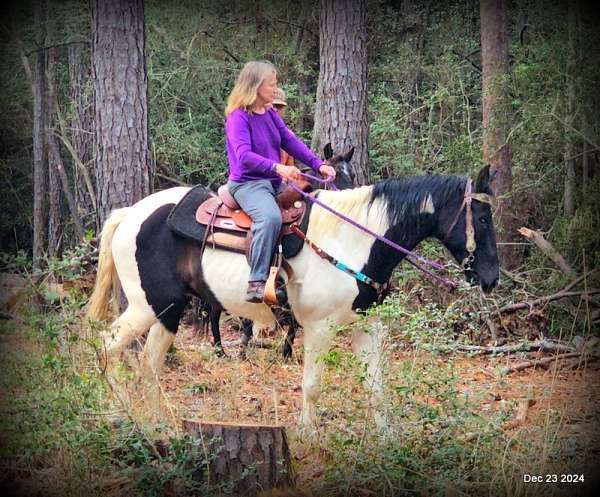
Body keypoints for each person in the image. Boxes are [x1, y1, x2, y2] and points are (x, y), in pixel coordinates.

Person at [225, 60, 336, 302]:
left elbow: (290, 141)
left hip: (273, 182)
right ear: (255, 86)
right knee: (270, 218)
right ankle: (257, 281)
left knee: (311, 207)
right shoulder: (238, 117)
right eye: (271, 85)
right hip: (247, 184)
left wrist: (319, 165)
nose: (275, 90)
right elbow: (243, 157)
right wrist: (278, 168)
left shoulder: (270, 114)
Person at [272, 88, 295, 167]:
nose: (275, 109)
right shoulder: (258, 132)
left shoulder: (289, 135)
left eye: (279, 106)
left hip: (281, 178)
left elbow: (290, 166)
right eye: (273, 105)